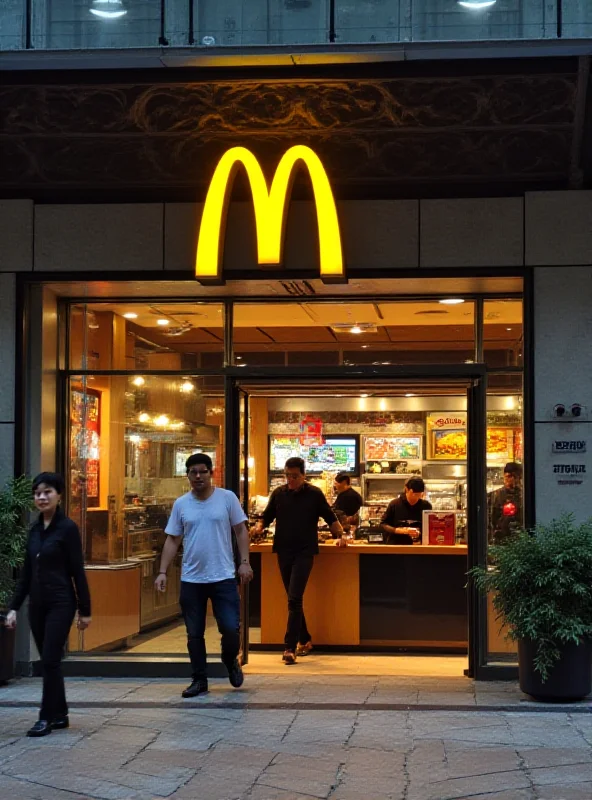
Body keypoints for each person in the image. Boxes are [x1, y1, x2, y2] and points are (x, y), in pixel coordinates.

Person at [155, 453, 253, 698]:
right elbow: (173, 539)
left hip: (223, 577)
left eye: (202, 471)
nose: (198, 476)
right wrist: (162, 571)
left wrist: (244, 562)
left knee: (231, 629)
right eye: (193, 472)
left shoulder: (227, 498)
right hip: (192, 579)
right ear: (187, 475)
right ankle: (199, 680)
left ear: (211, 473)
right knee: (194, 633)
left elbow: (241, 531)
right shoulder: (181, 504)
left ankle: (230, 659)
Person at [4, 472, 91, 738]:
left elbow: (78, 570)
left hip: (61, 603)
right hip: (37, 606)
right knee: (49, 662)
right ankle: (61, 713)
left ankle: (45, 717)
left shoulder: (67, 529)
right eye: (38, 493)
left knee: (50, 660)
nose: (41, 497)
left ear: (59, 495)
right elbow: (26, 575)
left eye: (47, 492)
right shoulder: (33, 530)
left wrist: (85, 609)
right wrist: (13, 608)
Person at [254, 457, 344, 665]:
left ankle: (289, 647)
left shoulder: (314, 494)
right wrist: (258, 528)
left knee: (294, 598)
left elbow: (330, 518)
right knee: (292, 599)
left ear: (304, 475)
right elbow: (266, 518)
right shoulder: (278, 494)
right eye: (287, 476)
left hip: (305, 551)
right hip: (283, 550)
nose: (290, 480)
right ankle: (305, 639)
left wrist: (341, 536)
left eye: (295, 476)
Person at [380, 477, 432, 543]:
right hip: (396, 546)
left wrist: (420, 532)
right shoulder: (394, 504)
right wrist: (397, 530)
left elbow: (430, 527)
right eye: (414, 494)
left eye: (419, 495)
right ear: (406, 489)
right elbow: (383, 524)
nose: (416, 497)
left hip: (419, 547)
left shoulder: (426, 506)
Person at [488, 462, 523, 545]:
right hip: (501, 539)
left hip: (520, 539)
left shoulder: (524, 495)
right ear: (504, 477)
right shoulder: (495, 495)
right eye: (509, 476)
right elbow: (490, 519)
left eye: (515, 477)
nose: (512, 480)